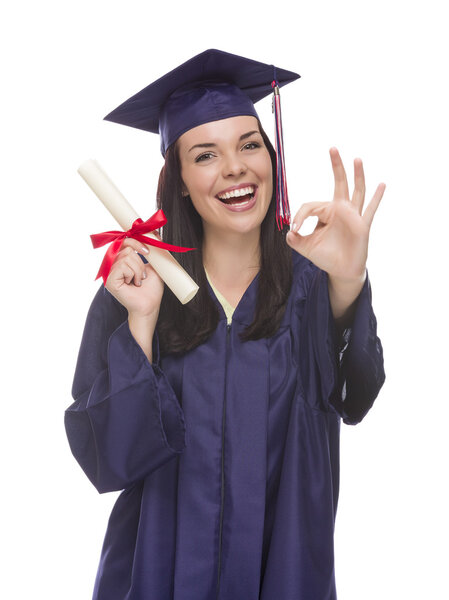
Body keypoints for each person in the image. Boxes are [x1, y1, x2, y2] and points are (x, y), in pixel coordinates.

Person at [65, 49, 386, 600]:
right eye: (206, 154)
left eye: (249, 144)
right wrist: (141, 324)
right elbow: (108, 461)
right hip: (154, 577)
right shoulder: (138, 288)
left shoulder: (313, 284)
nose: (235, 166)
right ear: (181, 181)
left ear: (271, 160)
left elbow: (355, 397)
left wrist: (348, 284)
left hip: (285, 576)